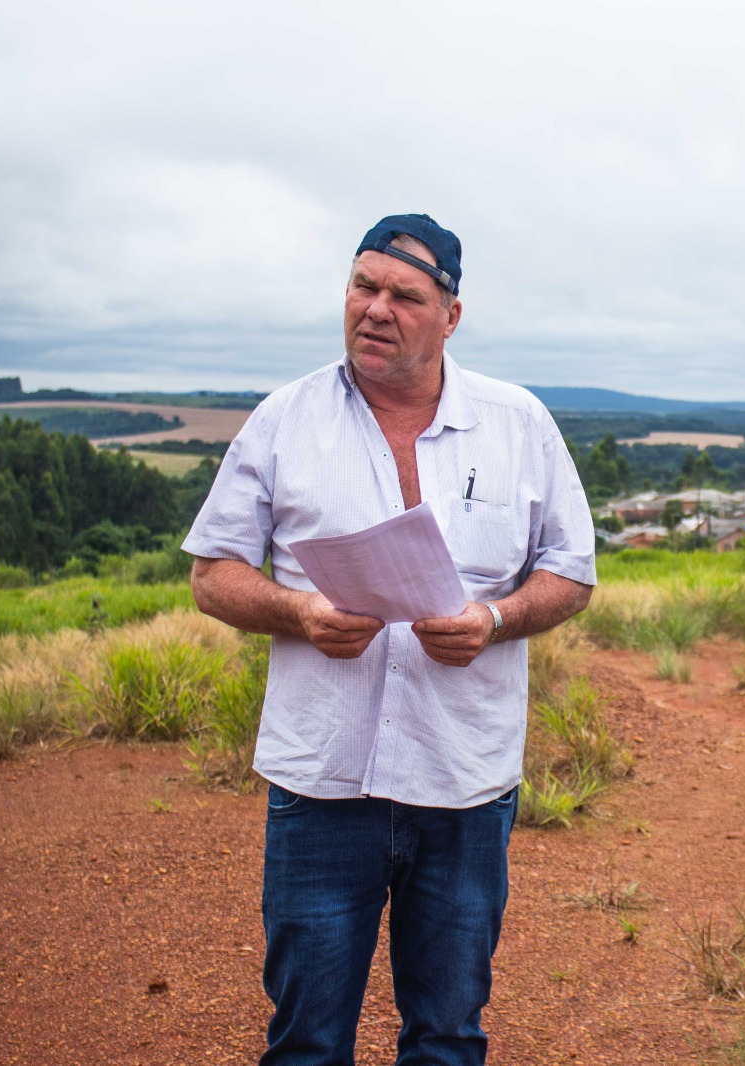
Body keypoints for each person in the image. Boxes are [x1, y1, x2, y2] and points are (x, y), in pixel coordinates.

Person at [184, 213, 597, 1066]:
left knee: (448, 1036)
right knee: (306, 1040)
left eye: (404, 295)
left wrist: (495, 619)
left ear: (450, 315)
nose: (376, 309)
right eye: (363, 287)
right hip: (322, 782)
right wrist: (297, 612)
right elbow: (212, 572)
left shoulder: (518, 422)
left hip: (464, 783)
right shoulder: (283, 419)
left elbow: (572, 574)